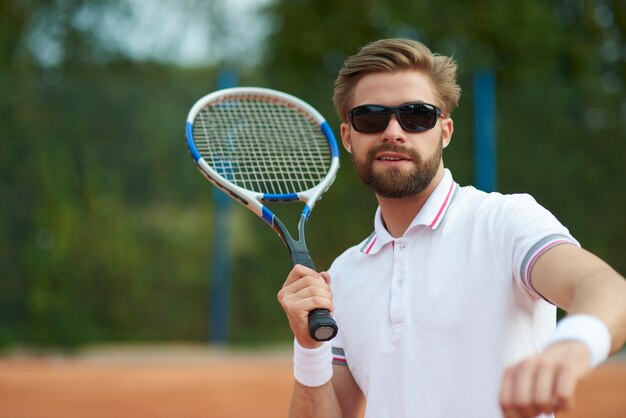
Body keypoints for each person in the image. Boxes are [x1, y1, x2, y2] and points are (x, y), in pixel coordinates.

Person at [277, 38, 626, 418]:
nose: (393, 131)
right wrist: (310, 351)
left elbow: (609, 290)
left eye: (417, 116)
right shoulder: (342, 277)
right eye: (372, 117)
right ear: (348, 137)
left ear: (445, 131)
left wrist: (573, 344)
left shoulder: (504, 222)